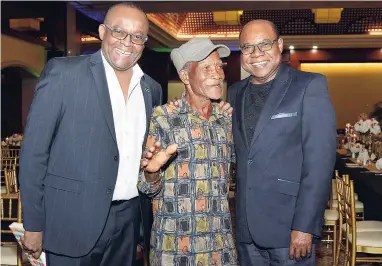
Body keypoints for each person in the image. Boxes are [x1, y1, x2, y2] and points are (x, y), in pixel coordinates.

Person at [18, 3, 162, 266]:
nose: (127, 42)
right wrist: (34, 224)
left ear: (144, 42)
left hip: (129, 223)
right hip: (72, 222)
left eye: (137, 36)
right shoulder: (64, 74)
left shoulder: (151, 88)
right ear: (102, 31)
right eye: (119, 31)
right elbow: (34, 154)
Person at [227, 20, 337, 265]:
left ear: (280, 45)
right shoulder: (235, 92)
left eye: (264, 44)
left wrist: (304, 226)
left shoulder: (309, 85)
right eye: (247, 47)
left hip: (290, 228)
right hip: (246, 228)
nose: (257, 54)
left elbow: (319, 164)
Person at [138, 37, 238, 266]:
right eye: (206, 67)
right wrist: (152, 171)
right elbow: (145, 186)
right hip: (174, 249)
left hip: (219, 248)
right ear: (185, 76)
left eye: (218, 66)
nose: (217, 73)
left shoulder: (226, 119)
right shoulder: (163, 118)